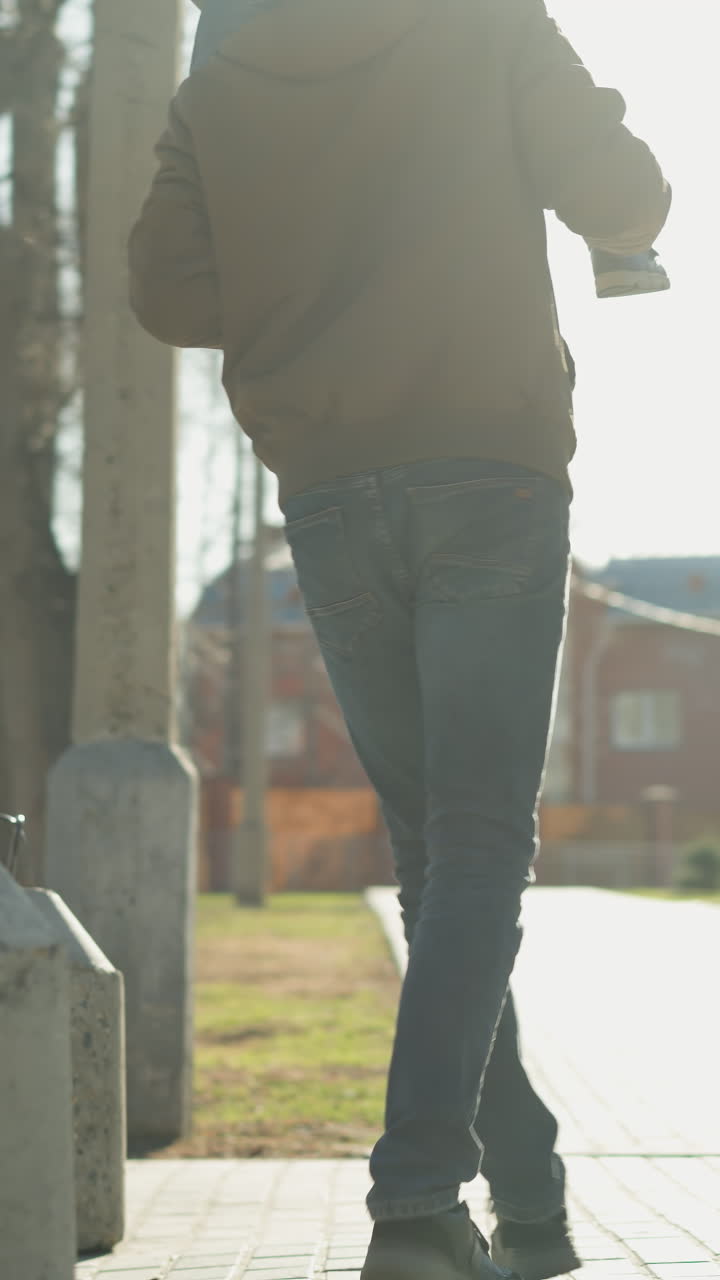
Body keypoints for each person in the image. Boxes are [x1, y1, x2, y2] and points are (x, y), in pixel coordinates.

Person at [128, 3, 671, 1279]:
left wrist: (307, 294)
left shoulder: (223, 67)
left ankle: (528, 1200)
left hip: (328, 482)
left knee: (443, 857)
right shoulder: (481, 20)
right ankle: (420, 1196)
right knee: (479, 844)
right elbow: (620, 188)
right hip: (488, 464)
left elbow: (165, 289)